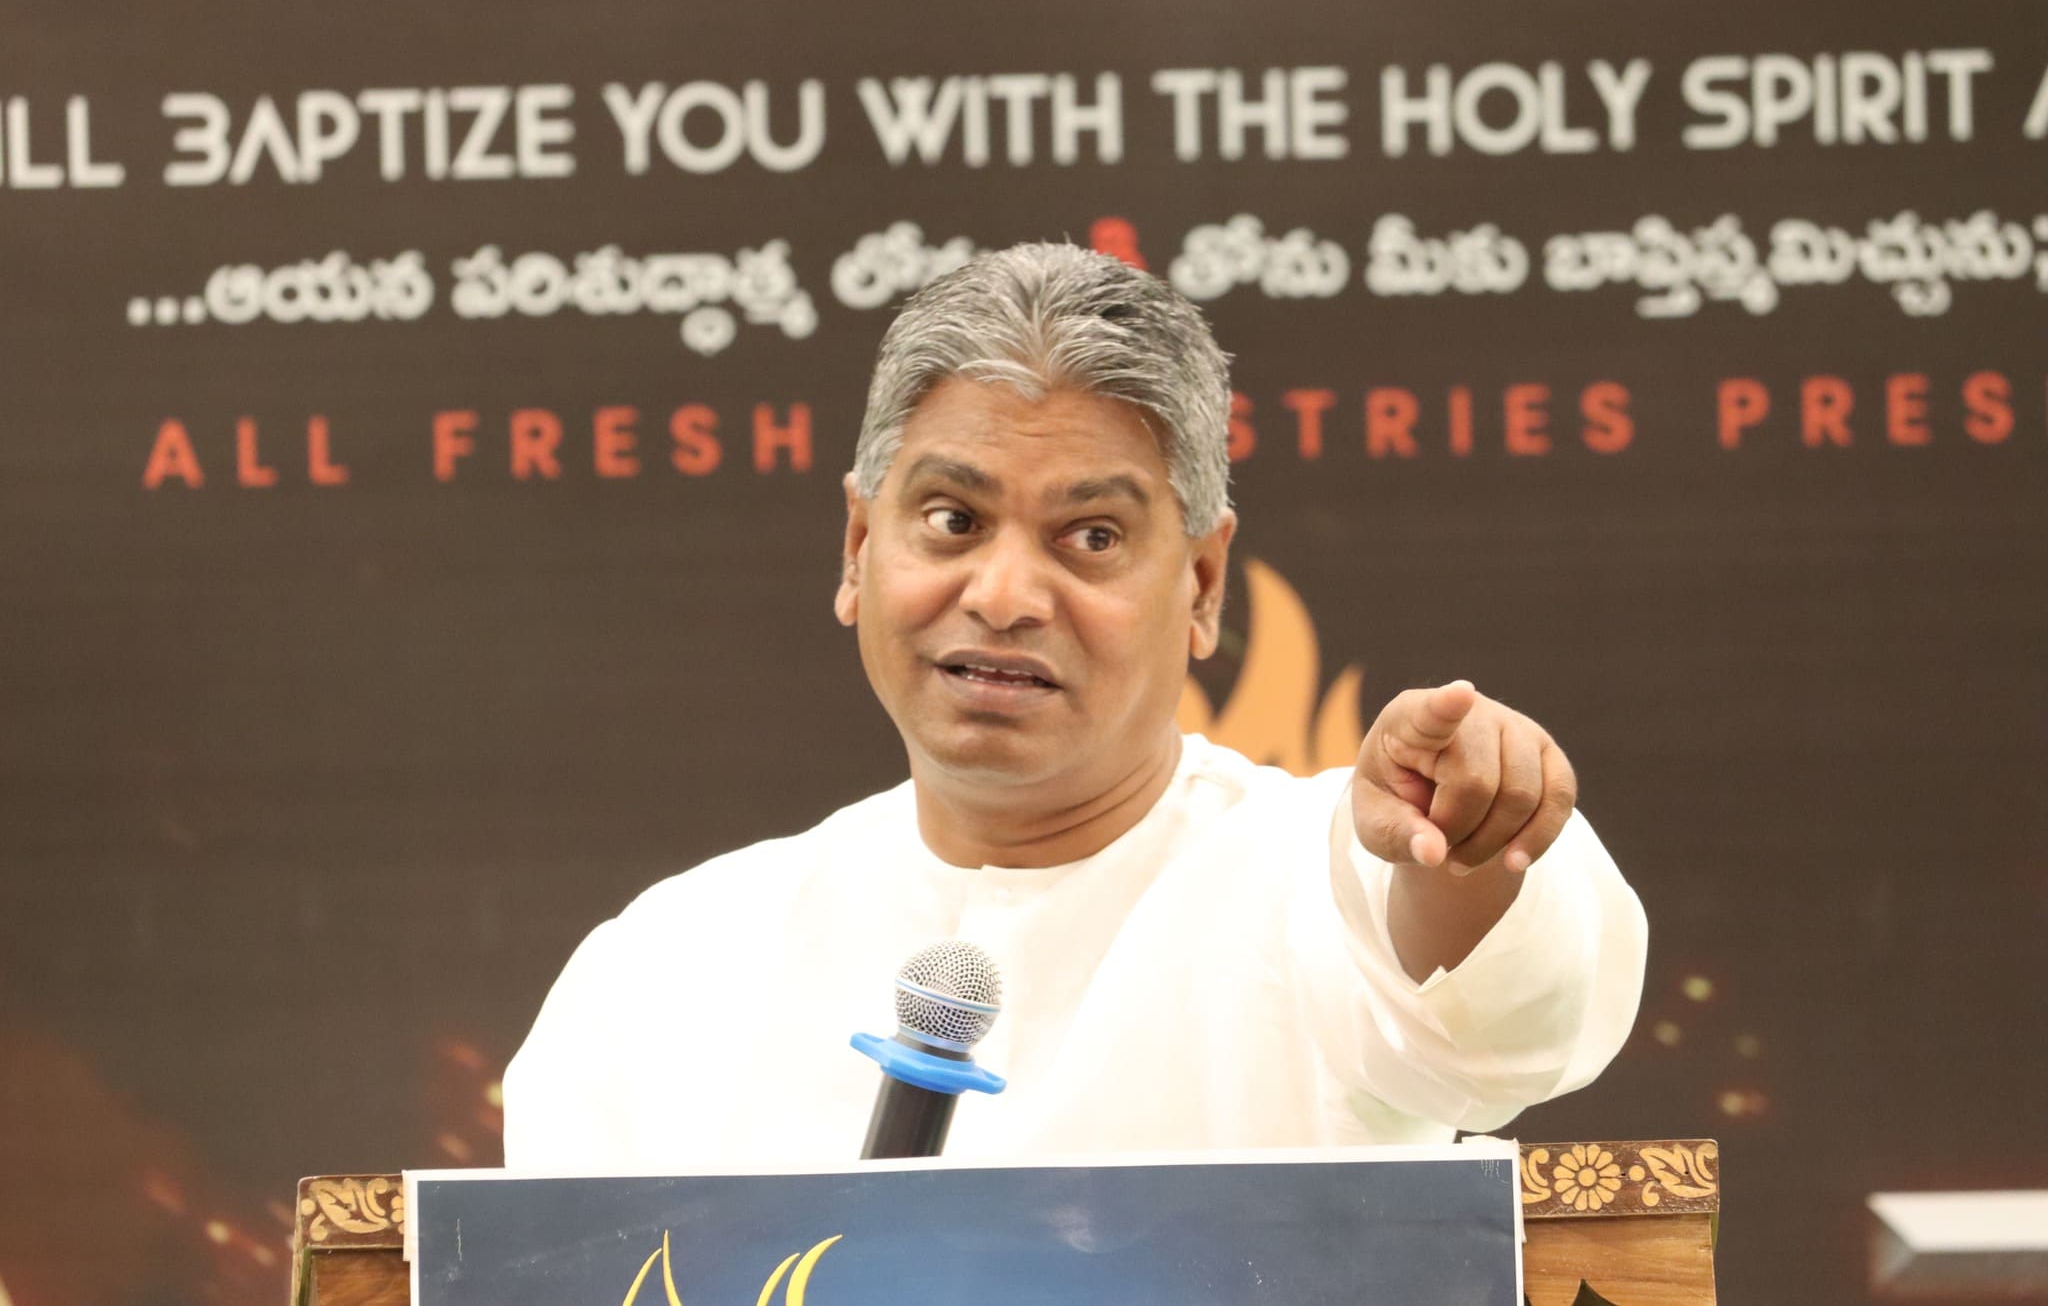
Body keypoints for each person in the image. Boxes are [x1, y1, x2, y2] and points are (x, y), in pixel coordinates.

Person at [500, 242, 1646, 1168]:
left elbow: (1499, 1026)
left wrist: (1456, 856)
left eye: (1089, 537)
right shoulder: (667, 965)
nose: (1001, 597)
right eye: (951, 519)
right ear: (858, 548)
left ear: (1199, 586)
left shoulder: (1310, 876)